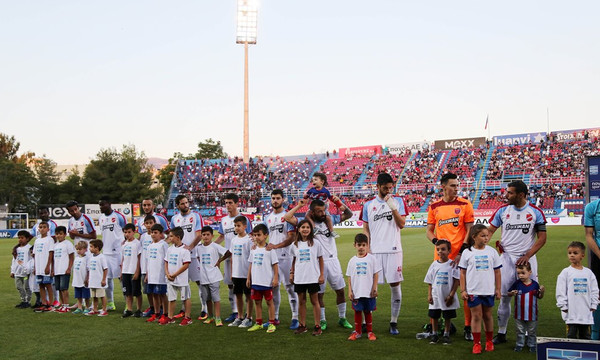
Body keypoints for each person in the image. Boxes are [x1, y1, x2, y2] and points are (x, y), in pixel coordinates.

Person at [487, 180, 547, 345]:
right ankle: (501, 333)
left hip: (527, 260)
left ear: (521, 195)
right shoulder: (502, 210)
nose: (506, 195)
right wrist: (482, 249)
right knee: (505, 296)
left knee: (529, 297)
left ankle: (527, 335)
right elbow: (489, 232)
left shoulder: (535, 212)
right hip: (506, 259)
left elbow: (542, 238)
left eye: (510, 193)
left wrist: (528, 255)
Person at [284, 198, 354, 330]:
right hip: (316, 263)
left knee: (340, 291)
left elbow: (349, 214)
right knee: (319, 294)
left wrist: (339, 203)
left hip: (333, 260)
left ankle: (342, 318)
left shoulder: (330, 219)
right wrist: (300, 206)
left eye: (323, 210)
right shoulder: (306, 224)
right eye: (318, 211)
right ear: (312, 212)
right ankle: (322, 320)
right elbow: (287, 217)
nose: (322, 213)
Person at [426, 172, 474, 340]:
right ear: (443, 187)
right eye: (452, 185)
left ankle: (468, 327)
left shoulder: (465, 204)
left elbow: (470, 229)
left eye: (456, 185)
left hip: (460, 256)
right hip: (441, 258)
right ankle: (441, 326)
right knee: (439, 292)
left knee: (465, 291)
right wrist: (437, 244)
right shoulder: (434, 206)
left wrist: (462, 251)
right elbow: (429, 230)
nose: (456, 188)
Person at [361, 172, 408, 335]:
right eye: (385, 188)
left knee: (395, 285)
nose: (388, 191)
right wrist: (367, 246)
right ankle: (368, 321)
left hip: (394, 250)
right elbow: (365, 228)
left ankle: (393, 322)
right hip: (375, 251)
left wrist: (392, 206)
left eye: (390, 188)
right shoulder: (368, 205)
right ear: (378, 187)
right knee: (370, 287)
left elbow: (402, 224)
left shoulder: (399, 201)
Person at [459, 224, 501, 354]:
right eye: (482, 236)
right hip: (473, 291)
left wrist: (498, 289)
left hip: (488, 290)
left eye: (487, 236)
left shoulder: (492, 251)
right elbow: (462, 273)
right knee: (476, 316)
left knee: (488, 315)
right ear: (474, 237)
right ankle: (476, 343)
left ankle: (489, 341)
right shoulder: (467, 252)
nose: (486, 238)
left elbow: (497, 272)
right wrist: (463, 290)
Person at [263, 189, 299, 329]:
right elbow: (264, 236)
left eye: (278, 198)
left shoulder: (287, 216)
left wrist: (276, 246)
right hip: (272, 258)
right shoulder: (267, 218)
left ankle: (295, 317)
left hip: (286, 256)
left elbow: (291, 237)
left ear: (283, 199)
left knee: (290, 287)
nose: (275, 200)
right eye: (273, 198)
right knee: (274, 287)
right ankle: (275, 317)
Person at [215, 193, 253, 322]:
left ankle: (248, 315)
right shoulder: (224, 220)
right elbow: (221, 236)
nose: (228, 205)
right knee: (231, 285)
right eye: (226, 203)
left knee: (246, 287)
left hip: (243, 259)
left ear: (237, 203)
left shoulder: (244, 219)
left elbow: (252, 236)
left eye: (230, 202)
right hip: (229, 257)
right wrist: (210, 247)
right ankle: (235, 312)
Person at [170, 194, 206, 319]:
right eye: (182, 203)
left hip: (194, 255)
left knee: (199, 282)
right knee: (182, 283)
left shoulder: (195, 216)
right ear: (178, 205)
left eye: (186, 202)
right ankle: (183, 308)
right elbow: (173, 236)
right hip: (180, 257)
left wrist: (190, 247)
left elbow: (199, 234)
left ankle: (204, 308)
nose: (185, 205)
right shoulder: (175, 218)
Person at [556, 241, 600, 339]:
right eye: (570, 253)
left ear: (582, 256)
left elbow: (594, 290)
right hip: (571, 314)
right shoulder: (565, 272)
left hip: (585, 313)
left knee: (585, 337)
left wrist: (594, 304)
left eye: (575, 253)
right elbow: (560, 290)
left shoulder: (588, 273)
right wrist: (563, 305)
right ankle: (571, 354)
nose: (572, 255)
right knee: (571, 336)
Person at [290, 219, 324, 335]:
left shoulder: (316, 243)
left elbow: (320, 259)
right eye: (303, 227)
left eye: (308, 227)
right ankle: (302, 325)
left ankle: (317, 326)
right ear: (298, 229)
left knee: (315, 301)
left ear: (311, 230)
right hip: (300, 277)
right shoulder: (295, 245)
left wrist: (321, 274)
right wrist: (292, 273)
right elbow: (294, 260)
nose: (305, 229)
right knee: (301, 301)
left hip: (313, 277)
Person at [424, 239, 460, 345]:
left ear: (449, 251)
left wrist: (451, 295)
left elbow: (456, 281)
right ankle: (434, 334)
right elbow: (430, 281)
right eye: (438, 249)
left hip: (447, 296)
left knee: (447, 316)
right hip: (435, 295)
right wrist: (429, 295)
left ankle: (446, 334)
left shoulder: (452, 265)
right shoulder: (434, 265)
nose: (440, 252)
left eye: (443, 249)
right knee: (434, 315)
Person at [346, 234, 381, 341]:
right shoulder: (352, 261)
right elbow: (349, 277)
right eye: (359, 245)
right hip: (356, 291)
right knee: (357, 311)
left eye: (363, 245)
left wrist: (375, 287)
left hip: (368, 291)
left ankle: (370, 332)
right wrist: (350, 291)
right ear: (354, 245)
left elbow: (375, 274)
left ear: (367, 246)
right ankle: (357, 332)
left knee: (367, 311)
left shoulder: (372, 259)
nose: (361, 247)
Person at [246, 224, 279, 333]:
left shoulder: (270, 250)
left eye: (259, 235)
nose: (256, 237)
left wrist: (275, 278)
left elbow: (275, 265)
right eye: (254, 235)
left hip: (266, 282)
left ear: (265, 235)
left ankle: (271, 323)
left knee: (269, 302)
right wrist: (248, 278)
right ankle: (259, 323)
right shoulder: (253, 249)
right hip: (255, 281)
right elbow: (251, 264)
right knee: (257, 302)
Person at [508, 262, 545, 352]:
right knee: (520, 331)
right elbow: (508, 293)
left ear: (530, 272)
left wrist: (542, 292)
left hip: (532, 314)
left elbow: (539, 297)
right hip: (519, 313)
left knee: (532, 331)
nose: (520, 275)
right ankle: (519, 344)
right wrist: (512, 293)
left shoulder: (535, 285)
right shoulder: (517, 283)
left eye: (523, 273)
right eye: (518, 273)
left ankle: (532, 345)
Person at [98, 196, 127, 311]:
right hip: (106, 252)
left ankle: (127, 303)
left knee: (122, 279)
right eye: (99, 205)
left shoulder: (119, 217)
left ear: (109, 204)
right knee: (107, 279)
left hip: (118, 253)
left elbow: (127, 231)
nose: (101, 207)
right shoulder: (101, 218)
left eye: (103, 204)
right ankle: (110, 303)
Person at [196, 226, 227, 327]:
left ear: (212, 236)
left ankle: (218, 318)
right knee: (207, 299)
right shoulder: (199, 247)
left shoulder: (215, 246)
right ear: (201, 236)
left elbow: (228, 252)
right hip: (203, 277)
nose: (205, 237)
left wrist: (219, 261)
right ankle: (210, 316)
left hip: (214, 277)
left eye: (207, 234)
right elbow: (197, 257)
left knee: (216, 299)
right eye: (203, 235)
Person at [163, 227, 193, 326]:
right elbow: (166, 262)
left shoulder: (185, 250)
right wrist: (167, 273)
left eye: (171, 236)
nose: (169, 238)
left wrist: (175, 274)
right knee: (171, 298)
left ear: (178, 237)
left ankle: (187, 317)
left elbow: (186, 265)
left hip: (181, 279)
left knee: (185, 298)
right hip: (170, 279)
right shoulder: (170, 249)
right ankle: (170, 317)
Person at [145, 224, 169, 324]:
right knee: (154, 294)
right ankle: (156, 313)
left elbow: (166, 260)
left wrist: (166, 272)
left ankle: (165, 314)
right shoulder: (150, 246)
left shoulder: (163, 245)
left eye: (156, 233)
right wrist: (147, 274)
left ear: (161, 234)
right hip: (151, 275)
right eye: (152, 233)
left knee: (162, 294)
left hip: (160, 274)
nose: (153, 235)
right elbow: (148, 261)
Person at [304, 172, 340, 238]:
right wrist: (305, 196)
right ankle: (314, 228)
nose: (313, 181)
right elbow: (306, 196)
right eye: (313, 180)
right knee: (307, 215)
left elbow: (331, 198)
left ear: (322, 182)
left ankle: (332, 231)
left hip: (323, 208)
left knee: (328, 218)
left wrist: (337, 201)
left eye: (315, 180)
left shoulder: (326, 191)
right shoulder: (311, 190)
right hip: (313, 208)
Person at [583, 197, 600, 339]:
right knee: (597, 295)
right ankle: (596, 332)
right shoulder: (592, 207)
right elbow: (589, 235)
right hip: (598, 256)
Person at [33, 222, 55, 313]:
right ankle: (44, 303)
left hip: (45, 267)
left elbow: (51, 254)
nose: (42, 229)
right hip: (38, 267)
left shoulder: (49, 240)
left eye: (44, 227)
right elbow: (34, 255)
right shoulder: (37, 240)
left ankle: (51, 304)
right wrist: (35, 267)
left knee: (48, 285)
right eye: (40, 227)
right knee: (41, 285)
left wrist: (48, 266)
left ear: (48, 229)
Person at [121, 223, 143, 318]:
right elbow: (123, 258)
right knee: (127, 292)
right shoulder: (124, 244)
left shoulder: (137, 244)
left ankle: (138, 309)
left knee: (136, 292)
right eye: (125, 232)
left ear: (134, 232)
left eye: (129, 232)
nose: (127, 234)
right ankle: (129, 309)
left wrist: (137, 271)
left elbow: (139, 258)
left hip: (133, 271)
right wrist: (121, 271)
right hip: (125, 271)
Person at [52, 226, 75, 313]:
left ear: (65, 234)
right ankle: (62, 305)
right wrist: (53, 269)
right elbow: (54, 259)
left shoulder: (68, 244)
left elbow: (71, 257)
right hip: (57, 270)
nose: (59, 236)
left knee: (64, 288)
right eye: (57, 234)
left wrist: (69, 268)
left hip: (64, 269)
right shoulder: (55, 245)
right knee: (59, 288)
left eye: (61, 234)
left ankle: (66, 305)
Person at [139, 215, 157, 317]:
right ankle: (152, 308)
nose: (149, 225)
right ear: (144, 225)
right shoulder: (143, 236)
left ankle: (160, 309)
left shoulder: (158, 236)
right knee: (147, 291)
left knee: (157, 291)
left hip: (154, 268)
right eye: (147, 223)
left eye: (151, 223)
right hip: (144, 268)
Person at [86, 239, 109, 316]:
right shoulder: (91, 257)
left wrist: (103, 279)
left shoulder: (102, 257)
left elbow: (105, 269)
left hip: (99, 280)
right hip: (93, 280)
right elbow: (89, 269)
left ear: (97, 248)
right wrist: (88, 278)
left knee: (102, 295)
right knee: (94, 296)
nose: (90, 248)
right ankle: (94, 309)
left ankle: (104, 309)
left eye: (91, 247)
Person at [11, 230, 32, 308]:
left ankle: (28, 301)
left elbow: (31, 260)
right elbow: (14, 260)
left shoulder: (29, 248)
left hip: (26, 272)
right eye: (19, 238)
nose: (20, 239)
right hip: (17, 272)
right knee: (19, 287)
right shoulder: (16, 249)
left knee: (27, 287)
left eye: (22, 238)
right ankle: (23, 300)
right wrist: (12, 271)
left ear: (27, 239)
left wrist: (30, 269)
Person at [71, 241, 91, 314]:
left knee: (86, 295)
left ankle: (87, 307)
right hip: (77, 280)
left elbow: (88, 269)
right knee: (78, 295)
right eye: (77, 249)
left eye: (80, 249)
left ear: (85, 249)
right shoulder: (76, 258)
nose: (78, 251)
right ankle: (79, 307)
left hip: (84, 280)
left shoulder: (87, 258)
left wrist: (87, 279)